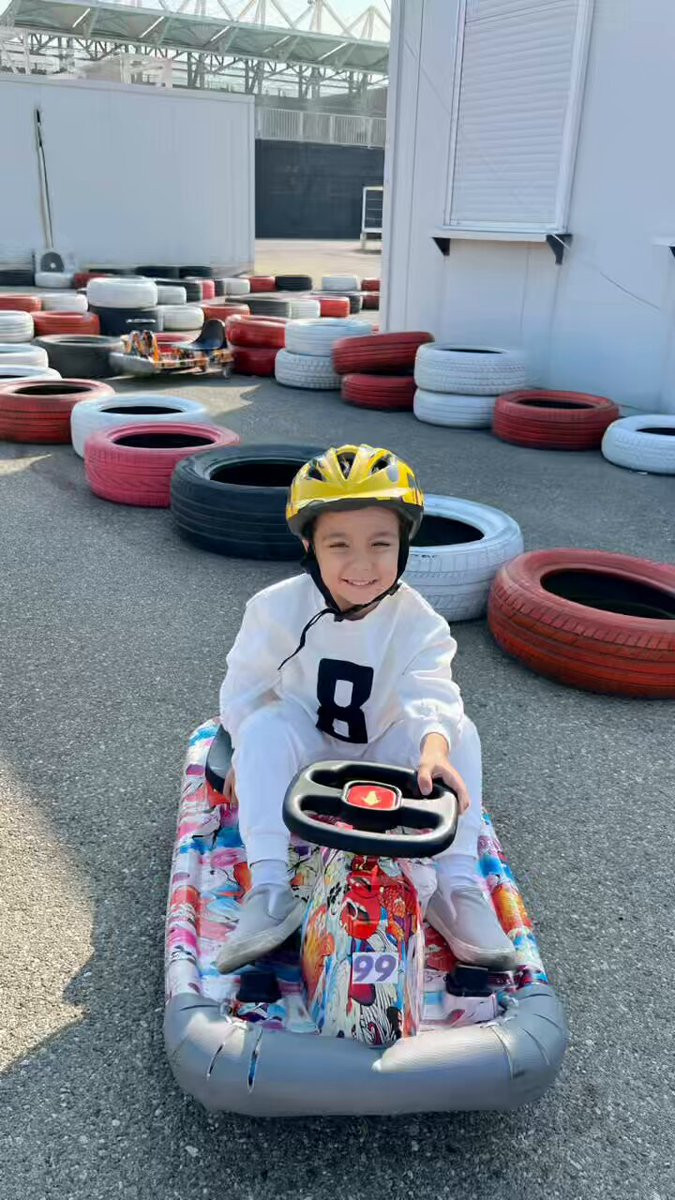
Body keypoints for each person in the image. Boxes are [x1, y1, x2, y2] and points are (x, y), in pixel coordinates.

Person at [216, 444, 515, 975]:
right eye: (339, 545)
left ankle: (457, 887)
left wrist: (434, 748)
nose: (361, 565)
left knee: (461, 731)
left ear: (404, 545)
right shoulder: (275, 609)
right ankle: (269, 887)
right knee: (261, 727)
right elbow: (246, 686)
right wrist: (244, 749)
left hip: (382, 746)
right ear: (309, 545)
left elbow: (432, 689)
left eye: (381, 544)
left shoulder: (419, 620)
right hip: (309, 746)